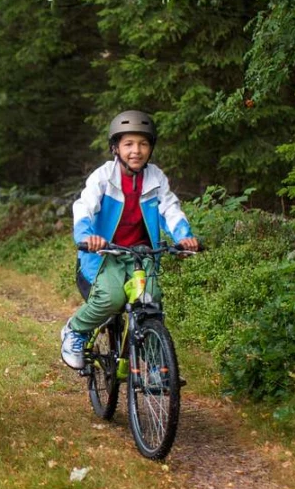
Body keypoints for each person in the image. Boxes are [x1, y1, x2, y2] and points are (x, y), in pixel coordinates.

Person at [60, 110, 200, 369]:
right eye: (129, 144)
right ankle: (75, 330)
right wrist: (87, 236)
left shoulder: (155, 177)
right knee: (111, 298)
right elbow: (84, 206)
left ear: (151, 148)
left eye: (143, 143)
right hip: (106, 254)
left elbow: (170, 209)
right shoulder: (103, 176)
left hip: (142, 252)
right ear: (115, 148)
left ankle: (158, 365)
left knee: (151, 301)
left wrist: (184, 237)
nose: (136, 150)